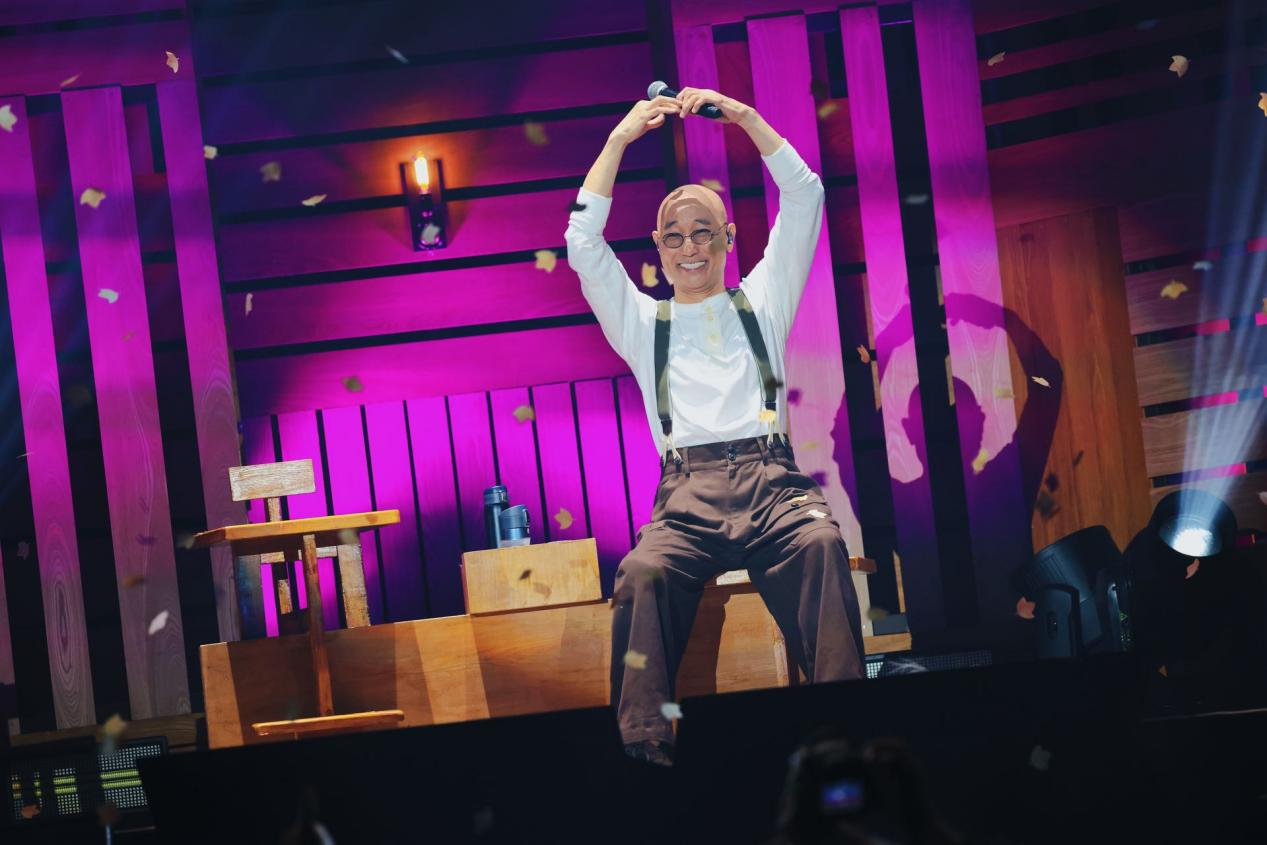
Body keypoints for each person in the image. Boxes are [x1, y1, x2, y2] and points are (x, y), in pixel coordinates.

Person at [565, 87, 864, 766]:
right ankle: (644, 743)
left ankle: (844, 733)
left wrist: (743, 117)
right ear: (658, 249)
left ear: (728, 237)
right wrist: (618, 138)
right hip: (685, 498)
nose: (689, 247)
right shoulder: (641, 321)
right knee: (641, 571)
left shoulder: (763, 297)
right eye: (673, 237)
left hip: (773, 485)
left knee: (821, 543)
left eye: (703, 231)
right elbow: (581, 239)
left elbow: (806, 195)